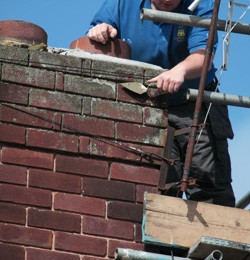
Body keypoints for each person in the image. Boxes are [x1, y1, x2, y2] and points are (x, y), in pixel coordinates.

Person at [87, 0, 236, 207]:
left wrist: (179, 71)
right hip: (146, 102)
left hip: (194, 102)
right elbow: (96, 30)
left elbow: (204, 56)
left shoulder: (201, 3)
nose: (167, 0)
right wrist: (100, 30)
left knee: (208, 182)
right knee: (159, 185)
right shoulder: (122, 3)